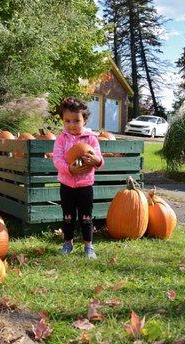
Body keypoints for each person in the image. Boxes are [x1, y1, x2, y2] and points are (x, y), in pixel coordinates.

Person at [52, 97, 104, 259]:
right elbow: (57, 160)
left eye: (76, 121)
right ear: (63, 120)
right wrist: (69, 169)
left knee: (86, 217)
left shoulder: (91, 139)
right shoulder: (61, 139)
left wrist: (96, 161)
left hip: (85, 186)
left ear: (85, 120)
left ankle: (88, 245)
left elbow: (100, 160)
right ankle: (68, 243)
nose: (71, 125)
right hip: (66, 185)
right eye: (67, 121)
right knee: (68, 216)